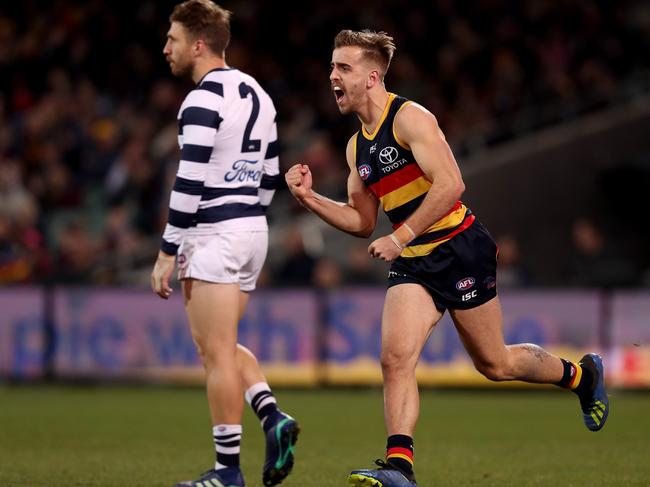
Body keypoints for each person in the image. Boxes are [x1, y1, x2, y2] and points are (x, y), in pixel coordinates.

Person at [285, 29, 609, 487]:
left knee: (494, 363)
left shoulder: (410, 117)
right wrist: (309, 198)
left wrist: (401, 235)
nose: (332, 75)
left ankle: (581, 375)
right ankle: (400, 467)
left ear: (373, 76)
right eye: (332, 66)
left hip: (458, 246)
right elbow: (360, 221)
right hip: (414, 259)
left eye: (343, 67)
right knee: (395, 358)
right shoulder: (356, 146)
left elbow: (452, 184)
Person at [150, 2, 299, 486]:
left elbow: (188, 182)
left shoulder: (199, 101)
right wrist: (247, 213)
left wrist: (167, 250)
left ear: (198, 43)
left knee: (213, 353)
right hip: (252, 228)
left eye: (172, 38)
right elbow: (271, 175)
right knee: (225, 344)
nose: (165, 48)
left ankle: (226, 472)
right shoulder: (257, 92)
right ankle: (272, 417)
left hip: (214, 232)